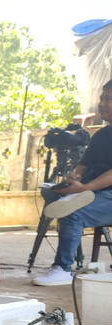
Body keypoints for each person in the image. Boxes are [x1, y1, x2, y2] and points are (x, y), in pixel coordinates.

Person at [33, 79, 112, 286]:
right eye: (101, 98)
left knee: (72, 211)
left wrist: (85, 188)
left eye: (108, 99)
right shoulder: (101, 135)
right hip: (93, 192)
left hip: (108, 195)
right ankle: (62, 266)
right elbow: (83, 165)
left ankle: (63, 269)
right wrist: (73, 178)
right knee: (55, 196)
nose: (101, 103)